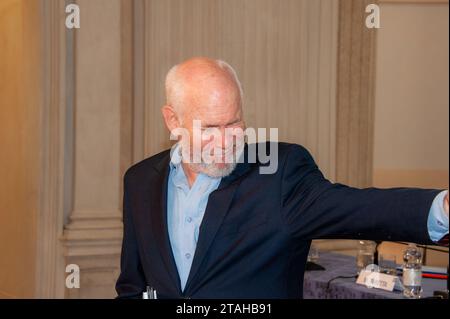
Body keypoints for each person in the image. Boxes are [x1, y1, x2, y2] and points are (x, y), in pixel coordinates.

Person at [116, 57, 449, 299]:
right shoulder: (141, 181)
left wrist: (442, 207)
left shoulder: (278, 172)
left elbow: (357, 207)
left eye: (234, 123)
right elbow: (133, 285)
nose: (226, 141)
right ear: (172, 120)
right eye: (210, 128)